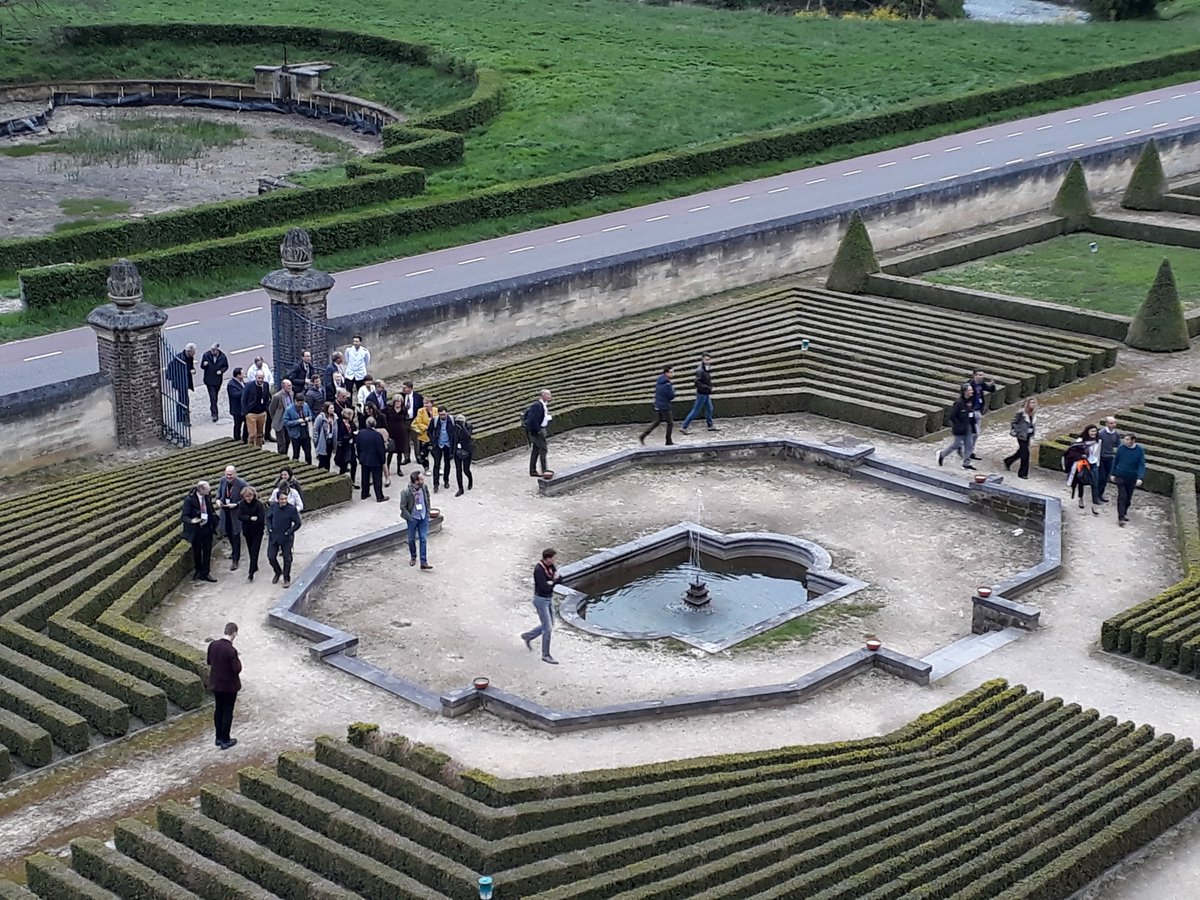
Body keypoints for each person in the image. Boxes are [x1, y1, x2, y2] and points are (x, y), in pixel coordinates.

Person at [520, 548, 562, 665]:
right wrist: (553, 581)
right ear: (547, 558)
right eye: (553, 558)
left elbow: (560, 579)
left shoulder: (551, 566)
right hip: (541, 600)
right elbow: (544, 587)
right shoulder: (539, 569)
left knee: (549, 624)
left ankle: (528, 636)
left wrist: (552, 582)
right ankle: (546, 655)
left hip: (549, 599)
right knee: (547, 628)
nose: (555, 560)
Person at [206, 622, 241, 751]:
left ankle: (218, 737)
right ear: (234, 633)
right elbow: (237, 669)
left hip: (216, 684)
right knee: (227, 711)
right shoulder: (231, 650)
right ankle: (225, 739)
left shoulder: (213, 645)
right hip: (229, 686)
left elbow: (209, 661)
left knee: (218, 709)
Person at [181, 480, 218, 583]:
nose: (209, 492)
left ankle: (205, 572)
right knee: (197, 551)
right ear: (201, 489)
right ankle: (198, 571)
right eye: (207, 490)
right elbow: (184, 516)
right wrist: (192, 520)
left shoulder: (207, 496)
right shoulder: (189, 500)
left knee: (207, 551)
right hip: (196, 529)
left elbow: (210, 510)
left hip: (207, 527)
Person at [266, 488, 302, 587]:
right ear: (278, 500)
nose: (284, 501)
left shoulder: (291, 509)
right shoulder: (273, 507)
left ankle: (286, 578)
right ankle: (278, 572)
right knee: (271, 557)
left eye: (285, 499)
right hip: (274, 536)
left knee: (287, 558)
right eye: (282, 499)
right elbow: (268, 517)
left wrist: (289, 532)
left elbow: (298, 523)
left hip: (286, 537)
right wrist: (269, 528)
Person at [937, 384, 977, 470]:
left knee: (969, 445)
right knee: (956, 444)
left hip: (969, 427)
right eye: (970, 390)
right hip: (960, 428)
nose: (972, 391)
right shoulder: (959, 403)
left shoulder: (971, 401)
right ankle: (942, 454)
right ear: (965, 391)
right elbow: (952, 416)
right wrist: (959, 425)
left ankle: (966, 463)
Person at [216, 465, 248, 571]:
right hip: (225, 512)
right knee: (228, 533)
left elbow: (247, 498)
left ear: (235, 474)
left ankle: (235, 559)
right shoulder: (222, 481)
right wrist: (218, 500)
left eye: (230, 474)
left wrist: (236, 505)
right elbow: (219, 493)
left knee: (236, 536)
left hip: (236, 514)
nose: (228, 476)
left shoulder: (241, 483)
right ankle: (234, 551)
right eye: (227, 474)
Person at [400, 471, 433, 570]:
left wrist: (427, 512)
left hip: (423, 517)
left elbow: (427, 498)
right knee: (411, 539)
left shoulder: (424, 487)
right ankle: (413, 556)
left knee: (423, 539)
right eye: (421, 479)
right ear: (416, 481)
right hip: (413, 518)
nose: (423, 480)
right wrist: (410, 518)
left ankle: (423, 562)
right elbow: (403, 507)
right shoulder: (405, 492)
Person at [1112, 433, 1147, 527]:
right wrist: (1112, 473)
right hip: (1120, 475)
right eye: (1125, 439)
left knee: (1128, 498)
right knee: (1122, 496)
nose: (1125, 441)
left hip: (1131, 477)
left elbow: (1141, 464)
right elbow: (1115, 460)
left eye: (1127, 439)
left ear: (1133, 440)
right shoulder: (1121, 448)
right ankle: (1121, 517)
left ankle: (1124, 512)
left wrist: (1140, 477)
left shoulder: (1139, 450)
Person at [1063, 426, 1100, 515]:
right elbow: (1072, 451)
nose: (1094, 433)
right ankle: (1081, 499)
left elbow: (1098, 453)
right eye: (1092, 431)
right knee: (1081, 482)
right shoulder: (1080, 441)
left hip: (1094, 464)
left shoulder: (1098, 441)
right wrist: (1081, 456)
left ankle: (1094, 505)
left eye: (1095, 431)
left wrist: (1098, 464)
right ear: (1087, 432)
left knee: (1095, 484)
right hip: (1083, 464)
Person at [680, 354, 718, 435]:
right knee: (695, 410)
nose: (708, 361)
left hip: (706, 393)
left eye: (709, 359)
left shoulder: (706, 368)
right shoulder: (700, 370)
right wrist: (707, 387)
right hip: (702, 393)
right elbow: (697, 382)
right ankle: (684, 426)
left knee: (709, 408)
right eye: (706, 360)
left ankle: (710, 425)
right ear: (703, 360)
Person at [963, 369, 997, 460]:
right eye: (979, 375)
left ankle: (969, 451)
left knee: (975, 434)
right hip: (971, 412)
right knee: (974, 433)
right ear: (974, 375)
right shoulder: (969, 385)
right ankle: (966, 450)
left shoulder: (981, 384)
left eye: (982, 375)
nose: (981, 376)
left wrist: (992, 385)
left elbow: (991, 390)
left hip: (978, 411)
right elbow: (963, 397)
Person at [639, 365, 676, 446]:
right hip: (665, 406)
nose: (673, 374)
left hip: (659, 404)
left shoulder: (660, 381)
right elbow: (671, 396)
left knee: (657, 421)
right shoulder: (667, 384)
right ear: (666, 373)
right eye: (671, 372)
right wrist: (673, 390)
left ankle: (643, 435)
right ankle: (668, 440)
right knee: (670, 423)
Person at [356, 416, 389, 502]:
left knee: (365, 477)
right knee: (377, 479)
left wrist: (360, 457)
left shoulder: (361, 433)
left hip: (364, 458)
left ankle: (364, 494)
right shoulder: (377, 435)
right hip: (376, 460)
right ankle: (379, 496)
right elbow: (380, 449)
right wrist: (382, 460)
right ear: (375, 424)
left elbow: (358, 446)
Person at [237, 486, 266, 582]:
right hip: (247, 531)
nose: (248, 498)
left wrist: (250, 519)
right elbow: (239, 516)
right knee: (250, 549)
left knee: (254, 550)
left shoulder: (258, 504)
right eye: (246, 496)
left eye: (250, 496)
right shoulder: (242, 504)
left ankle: (251, 572)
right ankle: (255, 565)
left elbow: (261, 518)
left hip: (257, 531)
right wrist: (250, 518)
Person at [523, 389, 553, 478]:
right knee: (543, 449)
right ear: (542, 395)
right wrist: (537, 430)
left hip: (540, 429)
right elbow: (532, 419)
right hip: (537, 431)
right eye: (547, 395)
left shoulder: (543, 405)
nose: (549, 396)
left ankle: (532, 470)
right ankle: (544, 470)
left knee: (536, 450)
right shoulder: (537, 406)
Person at [1004, 398, 1036, 479]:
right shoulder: (1021, 413)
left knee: (1021, 451)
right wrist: (1018, 430)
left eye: (1034, 403)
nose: (1033, 404)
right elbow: (1013, 422)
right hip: (1021, 435)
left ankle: (1008, 461)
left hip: (1028, 435)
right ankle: (1022, 473)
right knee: (1026, 454)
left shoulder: (1033, 413)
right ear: (1027, 403)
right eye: (1031, 402)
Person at [166, 342, 196, 425]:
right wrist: (174, 379)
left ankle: (181, 416)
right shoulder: (179, 359)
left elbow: (190, 366)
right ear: (189, 351)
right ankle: (185, 419)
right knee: (184, 400)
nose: (194, 353)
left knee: (182, 399)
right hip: (180, 382)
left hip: (185, 381)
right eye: (193, 351)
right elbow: (172, 368)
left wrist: (192, 370)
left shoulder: (189, 357)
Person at [241, 370, 271, 448]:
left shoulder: (266, 385)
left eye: (262, 378)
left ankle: (259, 448)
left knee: (260, 434)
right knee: (252, 434)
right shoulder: (249, 386)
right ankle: (250, 447)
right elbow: (244, 398)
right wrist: (245, 412)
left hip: (262, 412)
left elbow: (267, 396)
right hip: (251, 413)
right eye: (259, 378)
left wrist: (266, 408)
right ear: (256, 377)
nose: (261, 380)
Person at [428, 406, 456, 493]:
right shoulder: (435, 421)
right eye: (440, 415)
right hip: (438, 445)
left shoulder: (451, 420)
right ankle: (435, 484)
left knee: (447, 464)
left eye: (444, 414)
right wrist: (433, 441)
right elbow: (429, 431)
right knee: (436, 464)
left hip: (448, 445)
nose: (442, 416)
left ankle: (446, 480)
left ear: (447, 413)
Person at [199, 342, 228, 424]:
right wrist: (204, 365)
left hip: (218, 380)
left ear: (217, 350)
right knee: (213, 397)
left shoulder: (222, 357)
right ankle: (214, 414)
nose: (212, 352)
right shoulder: (206, 355)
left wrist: (221, 371)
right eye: (212, 350)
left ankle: (213, 407)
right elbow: (202, 366)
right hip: (209, 380)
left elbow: (225, 366)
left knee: (215, 396)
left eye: (214, 350)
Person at [1097, 416, 1122, 503]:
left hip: (1110, 458)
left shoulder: (1116, 434)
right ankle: (1096, 495)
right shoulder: (1101, 434)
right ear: (1107, 424)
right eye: (1111, 423)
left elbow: (1119, 445)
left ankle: (1100, 494)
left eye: (1114, 423)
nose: (1113, 425)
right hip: (1101, 458)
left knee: (1106, 478)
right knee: (1101, 477)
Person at [269, 379, 296, 457]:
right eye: (288, 386)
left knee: (287, 441)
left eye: (290, 385)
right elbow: (271, 409)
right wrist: (275, 419)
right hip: (280, 422)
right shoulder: (277, 396)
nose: (290, 387)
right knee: (282, 442)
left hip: (288, 422)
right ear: (283, 386)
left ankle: (285, 455)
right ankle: (281, 456)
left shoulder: (292, 393)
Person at [399, 381, 424, 464]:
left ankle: (418, 456)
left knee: (416, 440)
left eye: (404, 388)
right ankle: (406, 457)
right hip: (405, 420)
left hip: (414, 420)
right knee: (405, 440)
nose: (403, 389)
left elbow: (421, 409)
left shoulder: (418, 397)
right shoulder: (401, 396)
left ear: (410, 388)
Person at [283, 396, 313, 465]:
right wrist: (297, 421)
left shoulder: (306, 405)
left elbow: (310, 415)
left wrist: (308, 418)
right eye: (299, 404)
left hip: (305, 433)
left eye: (302, 403)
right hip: (296, 435)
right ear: (295, 401)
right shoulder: (289, 409)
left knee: (308, 454)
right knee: (296, 454)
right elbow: (285, 422)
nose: (301, 405)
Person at [384, 397, 409, 476]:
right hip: (391, 432)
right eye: (396, 401)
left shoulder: (404, 410)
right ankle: (387, 468)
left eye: (399, 401)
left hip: (401, 433)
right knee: (390, 452)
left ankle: (399, 469)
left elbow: (405, 420)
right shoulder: (389, 410)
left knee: (399, 452)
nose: (398, 403)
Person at [335, 408, 359, 487]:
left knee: (354, 464)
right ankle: (340, 480)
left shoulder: (351, 423)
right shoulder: (339, 422)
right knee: (343, 465)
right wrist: (348, 438)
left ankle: (353, 480)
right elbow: (339, 434)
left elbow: (355, 431)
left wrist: (353, 437)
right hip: (343, 447)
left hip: (351, 447)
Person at [411, 397, 435, 474]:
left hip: (434, 436)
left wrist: (432, 417)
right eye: (424, 403)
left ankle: (438, 467)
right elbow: (418, 422)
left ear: (431, 404)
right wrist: (427, 427)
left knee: (436, 453)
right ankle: (426, 468)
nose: (425, 405)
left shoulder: (436, 410)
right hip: (424, 434)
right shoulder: (420, 411)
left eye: (427, 403)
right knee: (423, 453)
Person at [453, 414, 474, 496]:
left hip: (467, 450)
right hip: (457, 450)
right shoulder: (455, 427)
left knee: (466, 469)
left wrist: (462, 427)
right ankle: (460, 489)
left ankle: (470, 480)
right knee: (458, 470)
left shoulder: (469, 426)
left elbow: (468, 436)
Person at [314, 402, 337, 471]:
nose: (333, 409)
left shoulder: (335, 416)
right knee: (322, 461)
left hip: (331, 440)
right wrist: (316, 440)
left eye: (333, 408)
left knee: (328, 459)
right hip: (323, 441)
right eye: (331, 408)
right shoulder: (321, 417)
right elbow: (315, 429)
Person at [226, 368, 247, 443]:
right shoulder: (231, 384)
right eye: (242, 373)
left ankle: (245, 438)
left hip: (244, 408)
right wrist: (245, 392)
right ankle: (237, 439)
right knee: (238, 425)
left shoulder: (243, 382)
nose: (244, 375)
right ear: (238, 375)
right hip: (237, 409)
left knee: (247, 424)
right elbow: (235, 395)